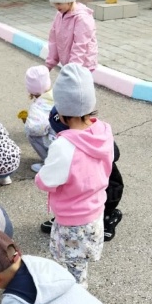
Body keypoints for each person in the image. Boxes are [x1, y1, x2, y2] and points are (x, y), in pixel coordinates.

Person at [35, 64, 114, 287]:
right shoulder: (103, 132)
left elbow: (48, 180)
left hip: (73, 221)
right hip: (95, 211)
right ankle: (79, 291)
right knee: (80, 263)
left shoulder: (64, 145)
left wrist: (39, 178)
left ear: (60, 111)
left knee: (71, 269)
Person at [40, 106, 124, 242]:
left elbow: (45, 180)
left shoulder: (96, 138)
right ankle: (66, 219)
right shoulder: (97, 131)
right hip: (80, 198)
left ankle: (109, 218)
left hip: (106, 187)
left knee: (105, 201)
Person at [45, 0, 98, 72]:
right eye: (54, 4)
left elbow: (80, 46)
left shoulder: (82, 18)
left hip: (83, 67)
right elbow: (54, 41)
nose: (56, 7)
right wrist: (48, 65)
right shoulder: (59, 15)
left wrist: (72, 70)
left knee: (78, 88)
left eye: (59, 3)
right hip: (70, 65)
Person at [20, 65, 56, 174]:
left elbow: (34, 129)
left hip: (54, 141)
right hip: (67, 139)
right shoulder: (58, 94)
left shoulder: (38, 106)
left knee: (31, 135)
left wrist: (27, 122)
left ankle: (49, 163)